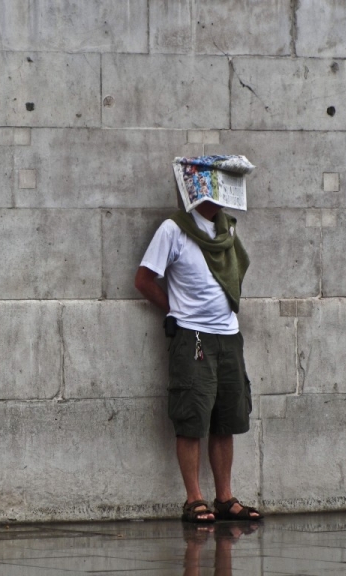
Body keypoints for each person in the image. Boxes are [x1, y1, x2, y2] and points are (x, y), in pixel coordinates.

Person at [135, 157, 260, 523]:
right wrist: (176, 311)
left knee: (227, 418)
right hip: (194, 338)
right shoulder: (174, 229)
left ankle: (225, 498)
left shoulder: (227, 230)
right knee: (192, 418)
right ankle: (194, 499)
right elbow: (143, 280)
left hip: (228, 336)